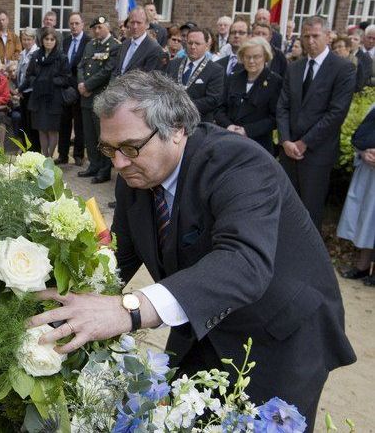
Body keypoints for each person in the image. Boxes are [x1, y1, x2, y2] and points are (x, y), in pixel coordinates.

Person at [28, 70, 356, 433]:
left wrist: (129, 311)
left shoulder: (238, 163)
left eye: (130, 147)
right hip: (205, 327)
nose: (118, 164)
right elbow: (115, 261)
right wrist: (51, 300)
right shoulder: (137, 176)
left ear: (177, 129)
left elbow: (244, 262)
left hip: (282, 335)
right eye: (109, 149)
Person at [276, 16, 357, 230]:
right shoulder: (294, 67)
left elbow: (336, 113)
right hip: (288, 151)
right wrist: (285, 140)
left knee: (310, 212)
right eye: (306, 36)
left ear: (328, 36)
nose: (310, 41)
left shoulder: (343, 69)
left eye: (315, 36)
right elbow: (282, 106)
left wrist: (304, 143)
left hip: (317, 153)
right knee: (284, 206)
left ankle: (308, 260)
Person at [215, 37, 282, 153]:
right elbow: (219, 109)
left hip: (258, 146)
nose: (251, 61)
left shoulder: (275, 81)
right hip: (229, 141)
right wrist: (229, 126)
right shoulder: (233, 78)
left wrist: (247, 130)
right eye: (247, 57)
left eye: (256, 56)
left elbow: (275, 118)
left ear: (265, 57)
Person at [77, 16, 121, 184]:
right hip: (86, 98)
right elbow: (81, 65)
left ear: (107, 27)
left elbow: (108, 71)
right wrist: (81, 83)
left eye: (100, 27)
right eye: (94, 28)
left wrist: (87, 86)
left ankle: (104, 169)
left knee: (103, 136)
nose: (96, 31)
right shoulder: (90, 45)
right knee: (89, 134)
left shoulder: (115, 46)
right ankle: (94, 165)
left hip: (100, 96)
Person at [337, 106, 375, 287]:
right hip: (369, 175)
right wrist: (363, 153)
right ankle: (362, 266)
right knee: (368, 221)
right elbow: (360, 137)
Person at [19, 27, 69, 158]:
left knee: (52, 130)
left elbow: (65, 78)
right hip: (38, 98)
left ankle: (49, 157)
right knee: (41, 130)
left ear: (56, 41)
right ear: (42, 40)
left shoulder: (61, 57)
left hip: (53, 98)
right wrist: (21, 88)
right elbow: (29, 75)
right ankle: (43, 155)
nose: (49, 42)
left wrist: (49, 81)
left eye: (52, 39)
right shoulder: (36, 55)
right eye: (46, 39)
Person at [165, 27, 224, 123]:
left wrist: (183, 106)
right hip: (170, 120)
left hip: (198, 123)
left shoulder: (215, 70)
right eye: (190, 43)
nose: (193, 47)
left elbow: (212, 100)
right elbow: (164, 88)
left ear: (206, 46)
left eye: (197, 43)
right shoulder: (173, 64)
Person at [57, 12, 90, 166]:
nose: (74, 26)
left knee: (79, 125)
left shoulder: (88, 42)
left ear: (82, 24)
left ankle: (78, 155)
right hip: (65, 90)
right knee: (64, 124)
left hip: (80, 89)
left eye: (77, 23)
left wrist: (82, 85)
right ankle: (62, 155)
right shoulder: (65, 41)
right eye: (71, 23)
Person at [111, 7, 164, 78]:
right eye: (132, 22)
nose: (135, 26)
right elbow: (116, 70)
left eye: (139, 23)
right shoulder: (125, 44)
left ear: (147, 25)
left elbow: (149, 80)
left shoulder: (154, 49)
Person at [16, 27, 41, 152]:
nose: (26, 42)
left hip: (32, 92)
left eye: (28, 39)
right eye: (24, 39)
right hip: (23, 93)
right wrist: (19, 89)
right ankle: (27, 148)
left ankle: (34, 150)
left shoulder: (36, 53)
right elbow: (20, 73)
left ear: (34, 39)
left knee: (32, 123)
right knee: (24, 122)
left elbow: (32, 76)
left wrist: (20, 88)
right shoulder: (23, 53)